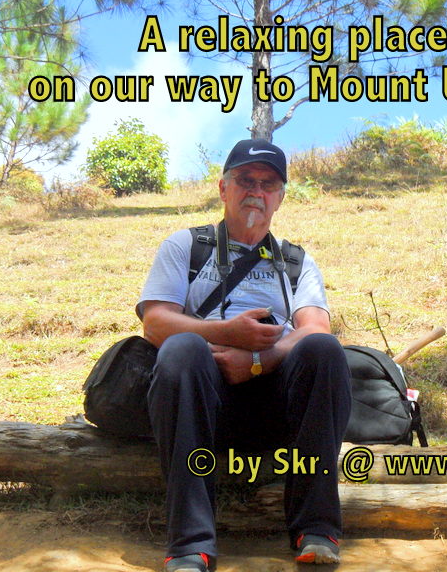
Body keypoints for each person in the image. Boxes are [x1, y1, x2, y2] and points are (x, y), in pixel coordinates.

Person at [137, 139, 351, 572]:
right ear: (223, 188)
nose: (256, 191)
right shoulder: (185, 247)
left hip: (277, 401)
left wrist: (257, 359)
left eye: (268, 184)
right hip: (200, 395)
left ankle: (316, 529)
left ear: (280, 197)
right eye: (245, 180)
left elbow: (315, 328)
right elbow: (156, 322)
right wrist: (225, 332)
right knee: (181, 348)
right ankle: (189, 546)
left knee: (324, 350)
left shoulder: (296, 262)